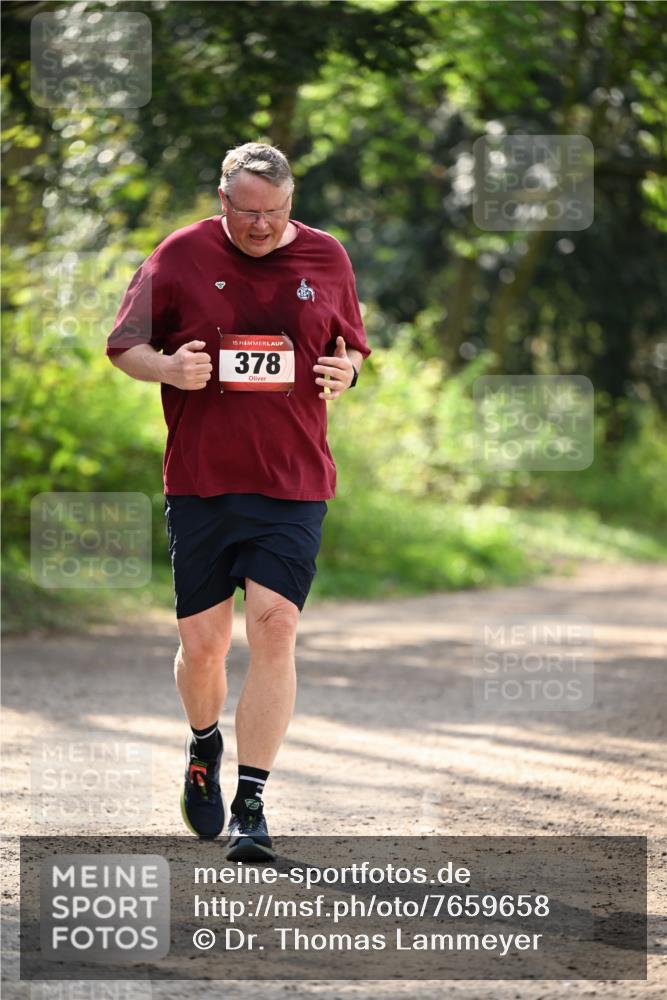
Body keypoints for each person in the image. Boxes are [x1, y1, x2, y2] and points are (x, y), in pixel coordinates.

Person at [106, 142, 370, 860]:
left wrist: (345, 372)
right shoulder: (178, 255)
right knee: (204, 647)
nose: (262, 225)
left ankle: (252, 803)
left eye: (275, 212)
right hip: (202, 481)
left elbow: (351, 347)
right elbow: (125, 345)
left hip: (293, 480)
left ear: (291, 203)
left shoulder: (326, 257)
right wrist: (166, 367)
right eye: (248, 211)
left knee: (275, 626)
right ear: (223, 199)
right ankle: (203, 745)